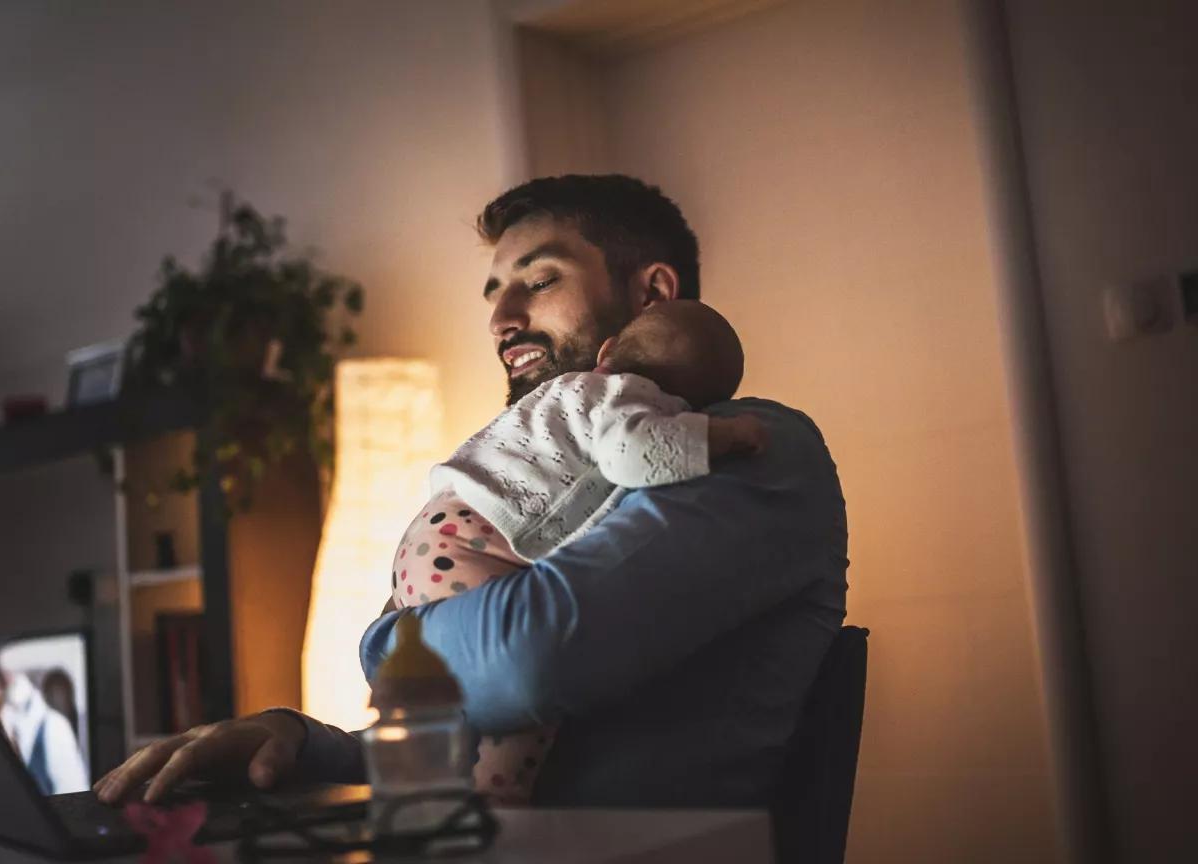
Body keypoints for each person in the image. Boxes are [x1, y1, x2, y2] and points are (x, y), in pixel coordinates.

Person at [95, 174, 848, 809]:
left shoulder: (756, 450)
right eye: (494, 293)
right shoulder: (562, 487)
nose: (500, 318)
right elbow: (475, 742)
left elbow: (530, 659)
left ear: (653, 294)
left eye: (540, 281)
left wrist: (386, 643)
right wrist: (299, 742)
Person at [396, 299, 767, 803]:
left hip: (429, 536)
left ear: (608, 350)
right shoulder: (629, 396)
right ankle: (500, 807)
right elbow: (632, 455)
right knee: (523, 707)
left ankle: (432, 798)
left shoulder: (561, 394)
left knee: (452, 713)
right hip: (478, 541)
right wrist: (722, 435)